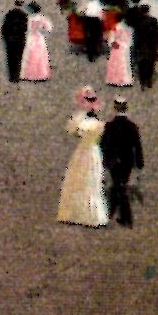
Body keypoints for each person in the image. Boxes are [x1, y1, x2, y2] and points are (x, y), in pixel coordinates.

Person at [57, 94, 109, 228]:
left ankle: (74, 213)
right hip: (93, 152)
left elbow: (72, 130)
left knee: (78, 179)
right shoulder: (100, 125)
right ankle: (90, 215)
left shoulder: (86, 123)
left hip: (83, 152)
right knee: (89, 181)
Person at [100, 98, 144, 228]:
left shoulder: (110, 126)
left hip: (114, 161)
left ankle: (119, 215)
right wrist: (139, 162)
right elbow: (137, 146)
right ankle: (118, 215)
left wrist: (103, 160)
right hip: (127, 162)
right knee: (120, 185)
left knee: (117, 186)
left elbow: (104, 145)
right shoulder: (132, 126)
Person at [20, 3, 53, 82]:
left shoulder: (29, 18)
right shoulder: (42, 18)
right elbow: (48, 28)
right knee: (40, 56)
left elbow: (25, 28)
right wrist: (42, 32)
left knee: (30, 56)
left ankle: (30, 74)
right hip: (39, 38)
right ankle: (41, 74)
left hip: (31, 38)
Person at [1, 0, 28, 83]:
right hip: (19, 39)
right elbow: (25, 28)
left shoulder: (9, 14)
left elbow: (4, 28)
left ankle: (11, 76)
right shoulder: (23, 15)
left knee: (10, 58)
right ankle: (17, 75)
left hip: (10, 40)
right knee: (19, 58)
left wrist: (5, 38)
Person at [105, 15, 134, 88]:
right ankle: (124, 79)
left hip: (117, 46)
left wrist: (112, 43)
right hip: (126, 46)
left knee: (115, 63)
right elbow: (131, 39)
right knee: (125, 63)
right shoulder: (129, 28)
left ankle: (113, 79)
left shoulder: (115, 26)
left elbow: (111, 37)